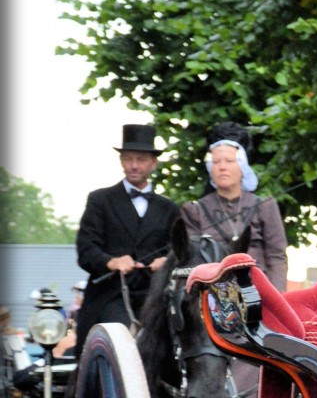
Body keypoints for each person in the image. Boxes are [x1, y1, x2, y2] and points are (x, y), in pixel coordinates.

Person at [75, 124, 180, 349]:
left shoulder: (170, 208)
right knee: (117, 340)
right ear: (121, 161)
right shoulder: (99, 200)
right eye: (128, 159)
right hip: (111, 294)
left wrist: (166, 262)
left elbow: (179, 250)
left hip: (155, 295)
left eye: (140, 160)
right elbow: (85, 249)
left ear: (153, 162)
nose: (133, 166)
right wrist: (111, 262)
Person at [180, 122, 288, 292]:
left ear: (242, 166)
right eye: (216, 162)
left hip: (259, 291)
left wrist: (276, 296)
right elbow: (193, 260)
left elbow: (276, 256)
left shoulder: (265, 206)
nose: (222, 167)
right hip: (213, 293)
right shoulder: (195, 210)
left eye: (229, 161)